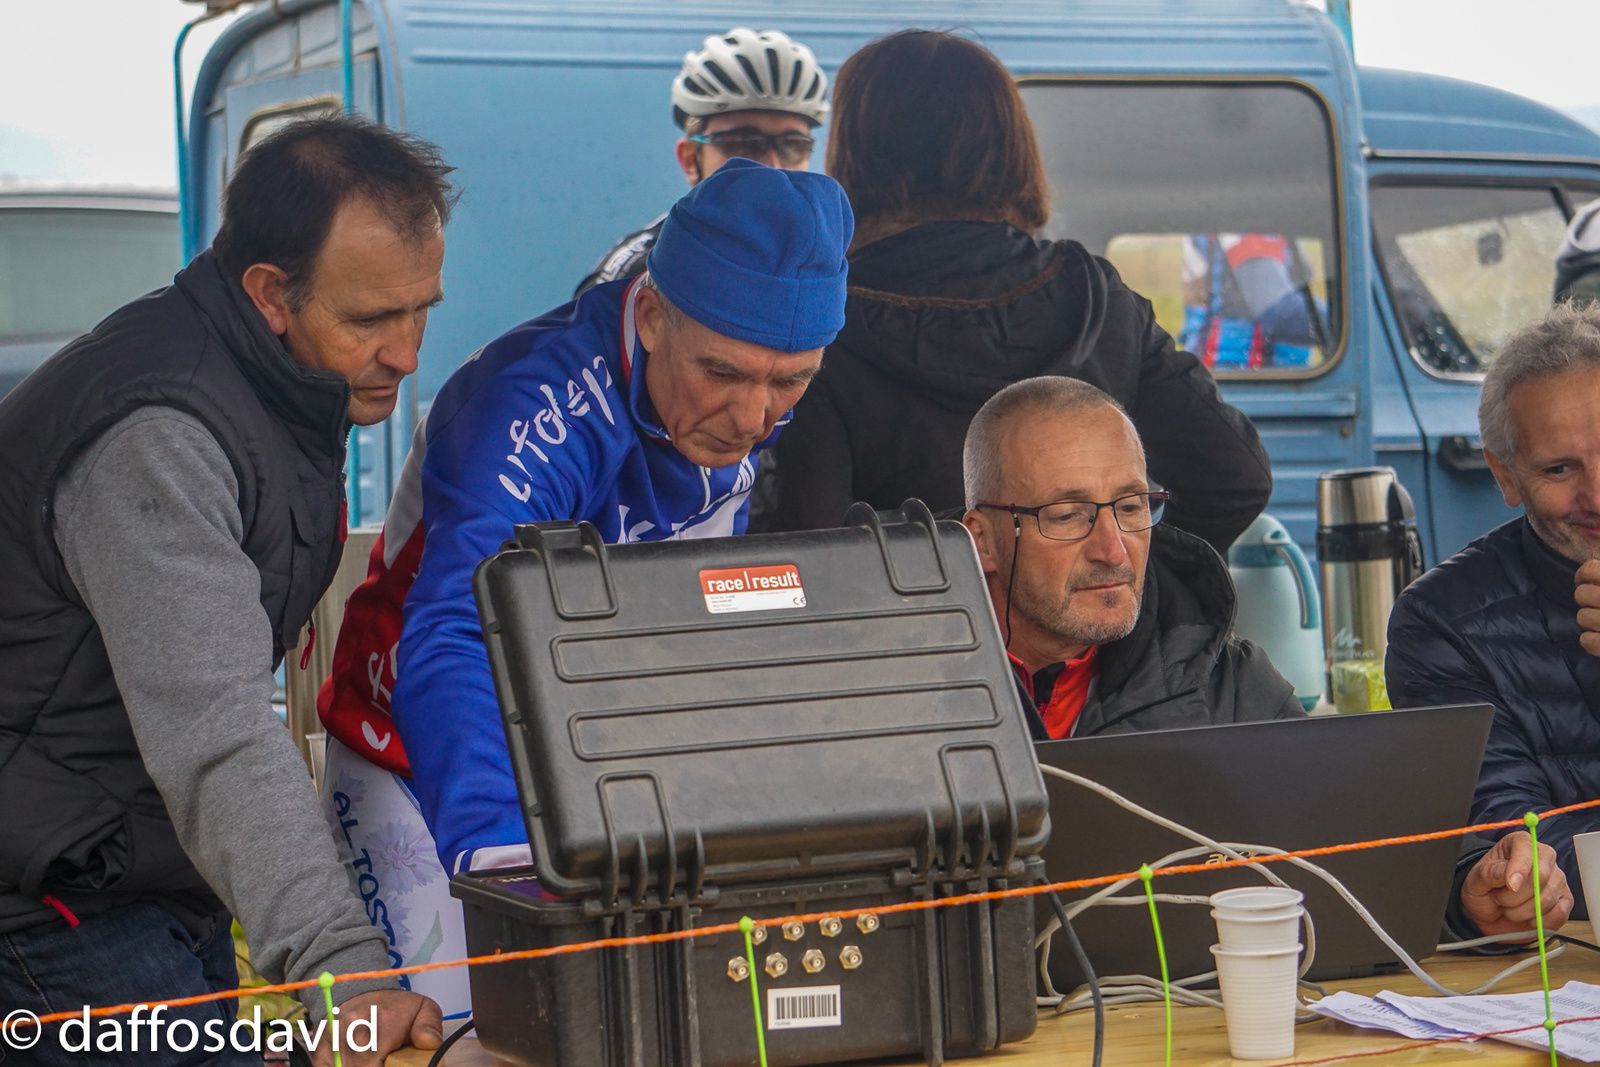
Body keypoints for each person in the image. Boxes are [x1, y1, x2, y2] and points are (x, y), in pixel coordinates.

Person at [316, 159, 850, 958]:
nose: (752, 417)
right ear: (654, 316)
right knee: (463, 1013)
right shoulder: (533, 402)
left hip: (588, 767)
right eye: (723, 372)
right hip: (413, 756)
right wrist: (506, 868)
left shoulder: (733, 401)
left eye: (792, 382)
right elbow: (460, 633)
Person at [0, 116, 450, 1064]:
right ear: (269, 293)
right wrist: (344, 967)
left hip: (133, 861)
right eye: (371, 319)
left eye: (422, 310)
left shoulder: (272, 383)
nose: (407, 353)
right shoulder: (158, 431)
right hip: (44, 900)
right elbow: (217, 729)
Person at [968, 376, 1570, 943]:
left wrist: (1470, 897)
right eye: (1067, 516)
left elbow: (1349, 869)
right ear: (982, 539)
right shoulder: (914, 695)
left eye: (1131, 506)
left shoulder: (1229, 683)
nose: (1113, 550)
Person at [758, 30, 1272, 554]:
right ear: (1011, 147)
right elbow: (1235, 478)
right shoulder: (1099, 300)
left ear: (854, 154)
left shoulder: (821, 318)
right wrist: (1122, 576)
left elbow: (812, 543)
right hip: (1089, 611)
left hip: (902, 611)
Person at [1387, 301, 1600, 929]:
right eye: (1560, 468)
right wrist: (1515, 882)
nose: (1597, 495)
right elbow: (1515, 855)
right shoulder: (1444, 622)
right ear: (1505, 476)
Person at [574, 27, 829, 296]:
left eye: (793, 145)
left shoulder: (835, 263)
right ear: (690, 159)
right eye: (742, 144)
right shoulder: (638, 273)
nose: (773, 167)